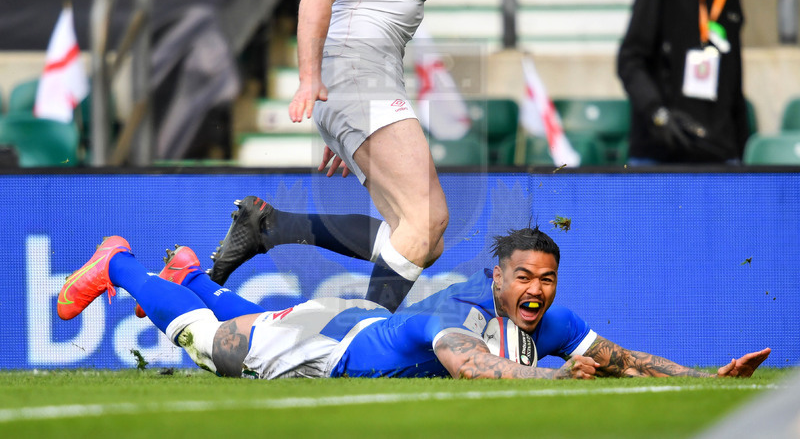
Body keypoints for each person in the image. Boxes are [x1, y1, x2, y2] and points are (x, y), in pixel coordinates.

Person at [61, 229, 770, 380]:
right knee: (208, 346)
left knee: (225, 316)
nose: (536, 291)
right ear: (496, 278)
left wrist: (707, 379)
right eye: (523, 277)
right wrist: (555, 381)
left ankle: (188, 274)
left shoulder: (550, 321)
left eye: (547, 280)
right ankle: (117, 263)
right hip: (326, 346)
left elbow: (624, 360)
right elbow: (470, 367)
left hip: (348, 326)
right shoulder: (455, 320)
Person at [205, 0, 448, 314]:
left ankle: (274, 226)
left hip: (369, 79)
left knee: (426, 239)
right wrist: (311, 80)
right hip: (358, 74)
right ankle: (367, 344)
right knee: (424, 221)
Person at [617, 0, 749, 165]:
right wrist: (657, 114)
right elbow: (630, 60)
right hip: (660, 150)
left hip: (718, 151)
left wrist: (740, 146)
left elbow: (734, 73)